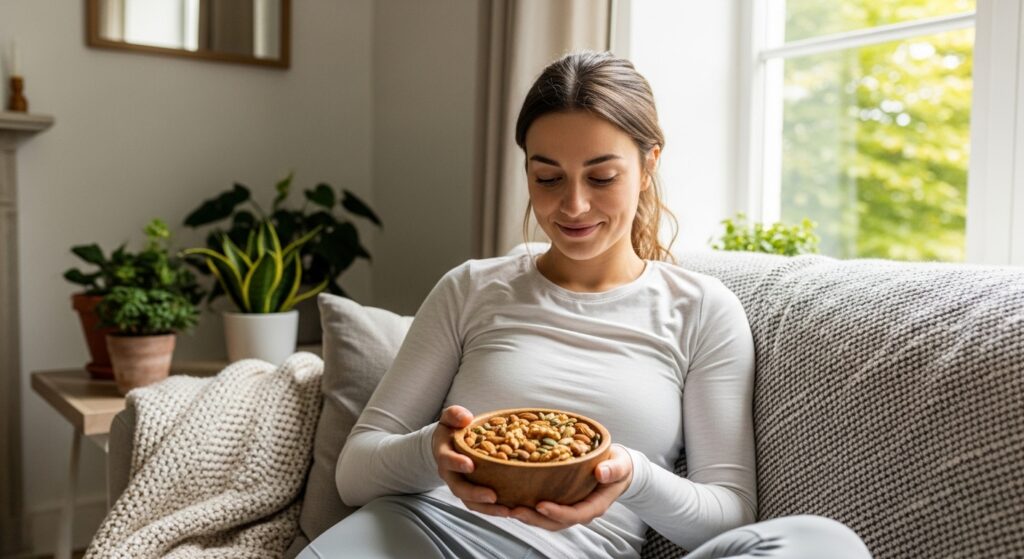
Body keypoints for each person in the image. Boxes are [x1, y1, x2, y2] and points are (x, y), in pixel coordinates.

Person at [299, 51, 872, 559]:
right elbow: (355, 473)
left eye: (602, 176)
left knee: (827, 546)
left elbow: (728, 513)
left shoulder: (701, 310)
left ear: (649, 165)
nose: (573, 205)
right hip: (416, 536)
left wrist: (632, 477)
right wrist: (435, 452)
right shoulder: (471, 288)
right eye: (547, 177)